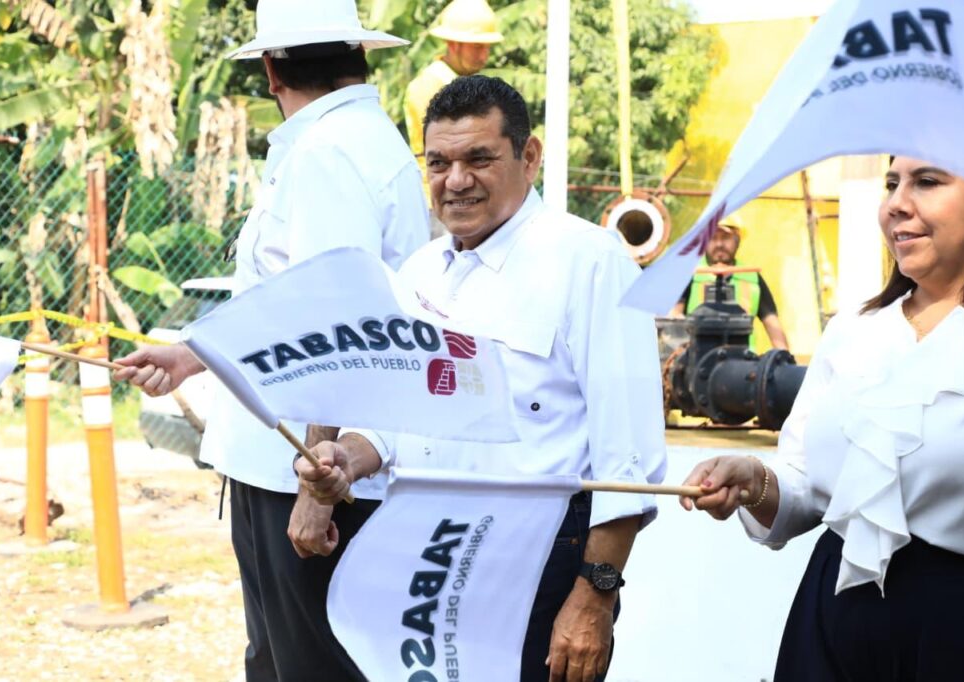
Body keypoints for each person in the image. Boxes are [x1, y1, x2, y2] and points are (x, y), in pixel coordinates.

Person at [295, 75, 667, 682]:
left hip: (542, 555)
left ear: (530, 156)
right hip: (428, 550)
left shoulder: (590, 261)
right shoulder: (418, 273)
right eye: (438, 163)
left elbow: (625, 458)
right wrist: (345, 459)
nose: (456, 180)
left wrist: (595, 595)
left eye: (479, 159)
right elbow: (397, 425)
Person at [112, 1, 428, 680]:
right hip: (305, 458)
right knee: (285, 658)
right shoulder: (355, 142)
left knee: (307, 664)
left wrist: (317, 484)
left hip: (307, 466)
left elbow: (334, 321)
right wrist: (193, 358)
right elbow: (290, 303)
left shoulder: (328, 154)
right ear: (357, 55)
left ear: (270, 69)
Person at [679, 156, 964, 681]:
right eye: (891, 183)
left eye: (927, 182)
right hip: (834, 620)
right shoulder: (855, 328)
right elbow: (805, 489)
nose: (896, 204)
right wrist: (753, 481)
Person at [404, 0, 502, 202]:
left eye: (487, 47)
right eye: (476, 47)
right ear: (452, 44)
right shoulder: (429, 86)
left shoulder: (475, 86)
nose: (484, 55)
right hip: (439, 198)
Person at [669, 213, 789, 351]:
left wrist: (785, 361)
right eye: (713, 238)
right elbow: (674, 320)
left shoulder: (752, 277)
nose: (719, 244)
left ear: (737, 240)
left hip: (744, 364)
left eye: (725, 237)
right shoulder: (691, 274)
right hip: (698, 363)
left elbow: (773, 325)